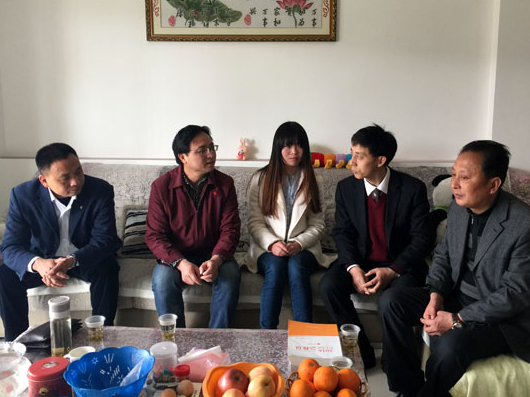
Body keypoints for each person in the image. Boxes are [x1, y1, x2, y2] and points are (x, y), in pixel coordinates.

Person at [381, 140, 530, 397]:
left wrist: (457, 319)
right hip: (459, 296)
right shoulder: (459, 209)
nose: (454, 184)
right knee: (392, 301)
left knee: (451, 345)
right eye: (453, 174)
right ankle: (407, 386)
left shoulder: (528, 225)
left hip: (506, 319)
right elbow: (443, 256)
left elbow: (516, 294)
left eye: (465, 177)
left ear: (493, 185)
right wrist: (436, 295)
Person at [320, 124, 434, 370]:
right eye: (351, 154)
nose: (352, 162)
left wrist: (392, 271)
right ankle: (361, 352)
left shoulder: (412, 189)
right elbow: (342, 233)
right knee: (329, 285)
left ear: (380, 160)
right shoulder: (346, 188)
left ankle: (395, 362)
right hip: (361, 260)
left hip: (400, 264)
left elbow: (422, 239)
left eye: (359, 157)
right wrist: (353, 268)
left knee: (393, 300)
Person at [0, 143, 121, 341]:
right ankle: (18, 343)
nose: (75, 181)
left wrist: (71, 260)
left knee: (108, 267)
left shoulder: (100, 190)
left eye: (78, 171)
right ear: (44, 180)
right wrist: (38, 264)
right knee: (4, 275)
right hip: (44, 259)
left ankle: (103, 335)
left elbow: (105, 239)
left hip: (82, 257)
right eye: (65, 178)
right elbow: (10, 246)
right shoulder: (23, 196)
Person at [146, 125, 241, 329]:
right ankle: (175, 339)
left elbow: (230, 230)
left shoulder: (225, 184)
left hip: (214, 253)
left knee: (231, 276)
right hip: (176, 255)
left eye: (212, 147)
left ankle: (218, 340)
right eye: (202, 150)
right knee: (162, 281)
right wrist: (181, 263)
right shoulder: (161, 187)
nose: (211, 154)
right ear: (183, 157)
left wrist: (216, 260)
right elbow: (155, 236)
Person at [246, 121, 334, 329]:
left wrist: (299, 243)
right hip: (267, 247)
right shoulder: (260, 178)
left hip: (304, 247)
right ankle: (267, 334)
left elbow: (318, 224)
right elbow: (254, 221)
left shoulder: (315, 179)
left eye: (299, 145)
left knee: (296, 268)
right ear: (278, 147)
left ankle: (305, 335)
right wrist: (272, 244)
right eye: (288, 145)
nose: (294, 151)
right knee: (276, 268)